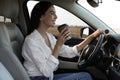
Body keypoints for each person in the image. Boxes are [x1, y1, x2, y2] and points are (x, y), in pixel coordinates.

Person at [22, 1, 104, 80]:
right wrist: (58, 45)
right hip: (38, 78)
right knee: (85, 77)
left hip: (49, 77)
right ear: (41, 16)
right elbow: (46, 71)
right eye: (52, 13)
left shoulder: (49, 36)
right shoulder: (31, 41)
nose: (56, 17)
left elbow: (70, 52)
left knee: (85, 75)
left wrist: (93, 35)